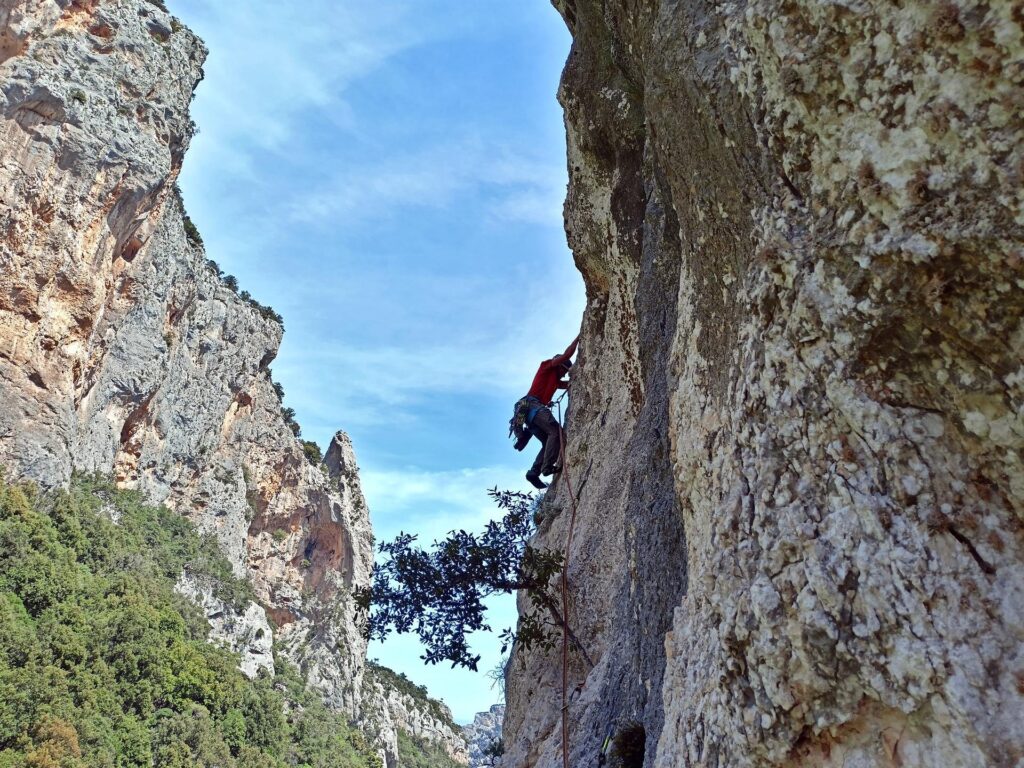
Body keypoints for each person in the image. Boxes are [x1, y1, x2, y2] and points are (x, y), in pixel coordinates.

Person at [519, 335, 579, 489]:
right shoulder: (546, 366)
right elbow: (566, 355)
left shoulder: (555, 380)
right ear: (560, 366)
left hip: (530, 413)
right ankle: (546, 468)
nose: (564, 375)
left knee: (548, 441)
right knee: (555, 431)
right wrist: (579, 338)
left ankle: (534, 472)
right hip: (532, 406)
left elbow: (567, 384)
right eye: (564, 371)